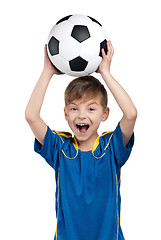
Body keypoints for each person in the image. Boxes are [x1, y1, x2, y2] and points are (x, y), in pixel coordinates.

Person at [25, 41, 137, 240]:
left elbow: (131, 114)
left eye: (91, 108)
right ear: (66, 114)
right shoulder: (60, 148)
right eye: (74, 108)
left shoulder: (111, 148)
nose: (81, 115)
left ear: (105, 114)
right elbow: (31, 116)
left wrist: (106, 73)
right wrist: (47, 72)